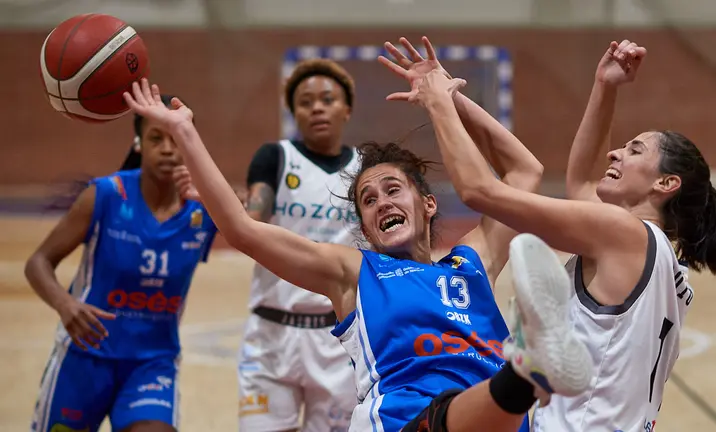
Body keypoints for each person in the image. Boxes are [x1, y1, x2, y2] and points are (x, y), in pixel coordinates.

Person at [123, 37, 594, 432]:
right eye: (368, 201)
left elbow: (525, 171)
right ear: (365, 226)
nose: (382, 202)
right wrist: (185, 132)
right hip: (405, 419)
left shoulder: (473, 261)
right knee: (449, 414)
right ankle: (527, 369)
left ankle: (526, 371)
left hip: (496, 423)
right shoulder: (354, 271)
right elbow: (244, 229)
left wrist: (448, 97)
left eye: (393, 190)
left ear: (428, 204)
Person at [400, 39, 716, 431]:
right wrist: (605, 85)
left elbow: (480, 192)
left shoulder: (623, 234)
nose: (616, 153)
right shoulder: (658, 257)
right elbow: (583, 182)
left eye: (635, 151)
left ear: (666, 183)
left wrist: (440, 104)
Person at [26, 95, 218, 432]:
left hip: (152, 363)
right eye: (157, 138)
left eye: (176, 138)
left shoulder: (205, 211)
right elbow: (38, 262)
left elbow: (255, 225)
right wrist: (65, 304)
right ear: (139, 143)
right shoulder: (105, 195)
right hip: (85, 356)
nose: (168, 148)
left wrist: (216, 197)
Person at [238, 58, 360, 432]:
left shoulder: (366, 168)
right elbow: (251, 222)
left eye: (327, 99)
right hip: (272, 335)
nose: (317, 107)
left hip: (339, 338)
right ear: (293, 113)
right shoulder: (275, 157)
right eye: (306, 102)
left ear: (347, 110)